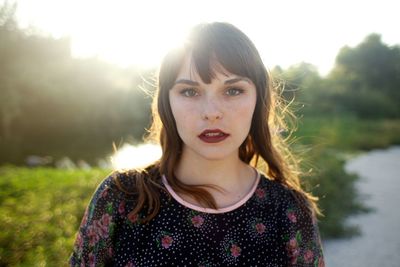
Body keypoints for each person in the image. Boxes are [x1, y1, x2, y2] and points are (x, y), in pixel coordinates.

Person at [69, 22, 324, 266]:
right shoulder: (121, 197)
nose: (211, 112)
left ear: (258, 99)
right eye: (190, 92)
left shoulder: (290, 210)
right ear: (167, 103)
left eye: (233, 90)